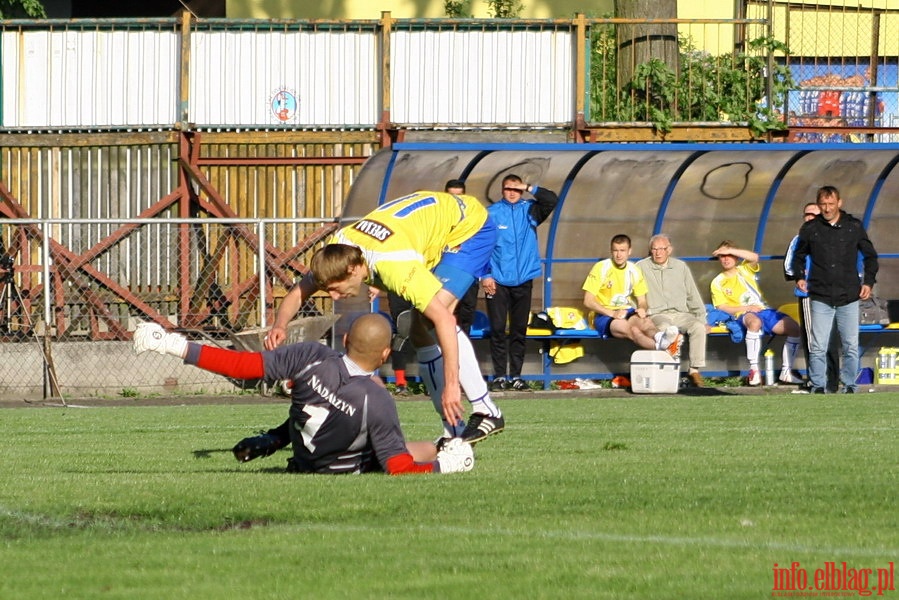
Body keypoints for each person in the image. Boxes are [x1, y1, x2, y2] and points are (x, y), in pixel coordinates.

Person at [265, 189, 503, 444]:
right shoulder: (341, 249)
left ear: (354, 270)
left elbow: (445, 319)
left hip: (469, 228)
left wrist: (452, 385)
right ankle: (454, 431)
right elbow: (300, 291)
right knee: (419, 331)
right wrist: (280, 325)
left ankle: (486, 410)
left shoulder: (394, 265)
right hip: (430, 225)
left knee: (431, 318)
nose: (333, 297)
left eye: (335, 288)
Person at [132, 314, 474, 474]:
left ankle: (445, 445)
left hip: (302, 462)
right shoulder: (378, 400)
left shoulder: (310, 356)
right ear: (385, 355)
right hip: (339, 471)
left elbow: (239, 366)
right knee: (415, 450)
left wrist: (174, 344)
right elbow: (397, 468)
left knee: (418, 445)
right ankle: (448, 449)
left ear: (344, 341)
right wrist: (444, 468)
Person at [789, 185, 879, 394]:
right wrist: (800, 277)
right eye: (823, 205)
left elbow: (871, 256)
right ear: (819, 205)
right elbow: (798, 257)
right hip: (820, 295)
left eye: (831, 204)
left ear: (839, 203)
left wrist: (868, 282)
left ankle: (849, 385)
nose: (827, 208)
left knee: (850, 345)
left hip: (849, 295)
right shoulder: (811, 229)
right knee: (819, 345)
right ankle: (818, 385)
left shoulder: (853, 227)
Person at [482, 174, 559, 392]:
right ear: (502, 190)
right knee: (497, 329)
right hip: (497, 281)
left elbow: (552, 199)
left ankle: (516, 375)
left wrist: (529, 187)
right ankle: (499, 376)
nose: (512, 192)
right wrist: (485, 275)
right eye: (508, 189)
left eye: (516, 189)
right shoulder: (492, 214)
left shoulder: (530, 210)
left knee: (518, 330)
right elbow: (481, 247)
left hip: (523, 280)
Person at [710, 240, 802, 386]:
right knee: (754, 323)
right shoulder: (718, 281)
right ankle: (754, 370)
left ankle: (786, 371)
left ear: (736, 256)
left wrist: (730, 249)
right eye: (722, 256)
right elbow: (721, 306)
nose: (726, 259)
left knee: (794, 328)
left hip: (763, 310)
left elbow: (754, 257)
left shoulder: (744, 269)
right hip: (742, 314)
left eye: (729, 255)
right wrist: (746, 309)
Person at [582, 234, 683, 356]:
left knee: (645, 322)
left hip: (626, 310)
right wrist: (613, 313)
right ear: (611, 251)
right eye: (615, 251)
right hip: (603, 315)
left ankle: (661, 338)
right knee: (632, 330)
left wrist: (642, 309)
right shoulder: (601, 268)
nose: (619, 255)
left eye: (622, 251)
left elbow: (642, 301)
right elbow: (588, 301)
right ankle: (664, 348)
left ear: (629, 251)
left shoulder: (633, 270)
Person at [636, 234, 709, 387]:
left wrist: (702, 319)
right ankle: (668, 371)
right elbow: (634, 292)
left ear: (669, 250)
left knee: (698, 327)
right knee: (665, 330)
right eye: (654, 249)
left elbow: (692, 295)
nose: (658, 252)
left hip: (681, 313)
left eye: (662, 249)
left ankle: (694, 370)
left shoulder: (680, 267)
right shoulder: (641, 267)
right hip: (658, 314)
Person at [783, 202, 839, 392]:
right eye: (808, 214)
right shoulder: (798, 239)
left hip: (830, 294)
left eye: (815, 215)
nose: (811, 218)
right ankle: (816, 379)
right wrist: (802, 276)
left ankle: (832, 380)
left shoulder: (833, 237)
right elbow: (789, 267)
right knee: (811, 337)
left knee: (830, 336)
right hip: (808, 295)